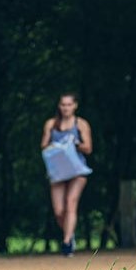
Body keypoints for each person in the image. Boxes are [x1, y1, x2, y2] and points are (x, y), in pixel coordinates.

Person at [41, 93, 92, 257]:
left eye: (69, 105)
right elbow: (43, 146)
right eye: (63, 105)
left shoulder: (81, 124)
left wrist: (75, 144)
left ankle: (67, 242)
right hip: (57, 170)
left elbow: (88, 148)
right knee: (59, 210)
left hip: (77, 169)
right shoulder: (51, 124)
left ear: (75, 105)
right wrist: (56, 145)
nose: (66, 108)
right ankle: (69, 232)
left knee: (71, 202)